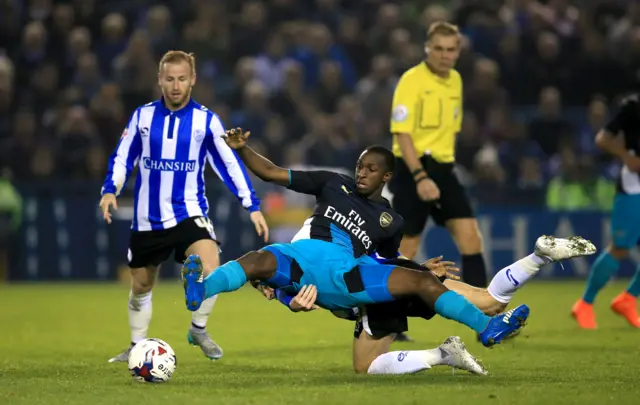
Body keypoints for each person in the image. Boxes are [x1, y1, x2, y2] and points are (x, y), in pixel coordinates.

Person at [181, 128, 529, 348]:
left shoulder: (392, 221)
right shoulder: (332, 182)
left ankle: (487, 328)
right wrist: (243, 149)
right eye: (360, 166)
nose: (362, 173)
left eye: (371, 169)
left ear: (386, 176)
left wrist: (417, 269)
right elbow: (271, 173)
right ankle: (201, 289)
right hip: (302, 261)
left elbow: (385, 261)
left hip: (347, 274)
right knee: (257, 260)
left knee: (422, 282)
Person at [99, 51, 269, 362]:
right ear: (160, 81)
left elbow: (227, 163)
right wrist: (110, 189)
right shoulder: (143, 117)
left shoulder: (206, 121)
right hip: (147, 219)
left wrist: (252, 205)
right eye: (169, 79)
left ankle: (198, 328)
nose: (175, 85)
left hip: (189, 211)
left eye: (181, 79)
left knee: (210, 265)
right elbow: (123, 156)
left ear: (192, 80)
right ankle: (137, 348)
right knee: (141, 285)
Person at [255, 235, 595, 375]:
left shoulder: (294, 259)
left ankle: (444, 354)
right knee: (489, 302)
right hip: (402, 275)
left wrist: (415, 271)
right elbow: (373, 255)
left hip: (383, 293)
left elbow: (363, 264)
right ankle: (538, 256)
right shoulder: (303, 250)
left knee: (365, 366)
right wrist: (416, 269)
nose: (265, 291)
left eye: (261, 285)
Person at [388, 21, 488, 290]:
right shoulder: (412, 81)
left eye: (451, 49)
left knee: (471, 238)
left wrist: (439, 172)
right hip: (413, 170)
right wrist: (420, 177)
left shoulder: (455, 80)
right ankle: (383, 319)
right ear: (427, 48)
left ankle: (484, 318)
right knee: (406, 247)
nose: (446, 55)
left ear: (458, 51)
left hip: (443, 170)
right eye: (439, 49)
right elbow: (403, 133)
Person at [573, 93, 640, 329]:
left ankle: (628, 299)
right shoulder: (633, 107)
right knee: (620, 248)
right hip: (634, 186)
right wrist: (626, 156)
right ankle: (585, 303)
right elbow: (602, 138)